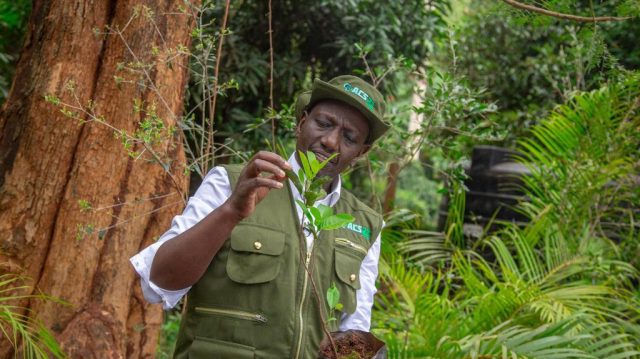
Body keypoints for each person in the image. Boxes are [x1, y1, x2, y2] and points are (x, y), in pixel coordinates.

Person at [130, 75, 391, 358]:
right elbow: (158, 284)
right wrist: (230, 211)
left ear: (361, 153)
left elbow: (354, 327)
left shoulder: (365, 225)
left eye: (349, 137)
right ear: (302, 122)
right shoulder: (232, 184)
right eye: (324, 124)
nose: (330, 141)